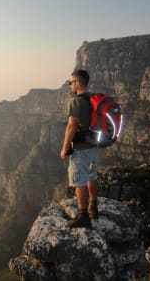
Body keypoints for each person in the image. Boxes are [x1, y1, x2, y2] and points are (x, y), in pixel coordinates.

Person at [60, 69, 99, 228]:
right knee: (92, 176)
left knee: (79, 181)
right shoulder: (93, 98)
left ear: (78, 82)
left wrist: (64, 148)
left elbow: (72, 126)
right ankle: (93, 206)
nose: (70, 86)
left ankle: (83, 215)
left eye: (71, 82)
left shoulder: (76, 101)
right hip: (94, 145)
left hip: (81, 148)